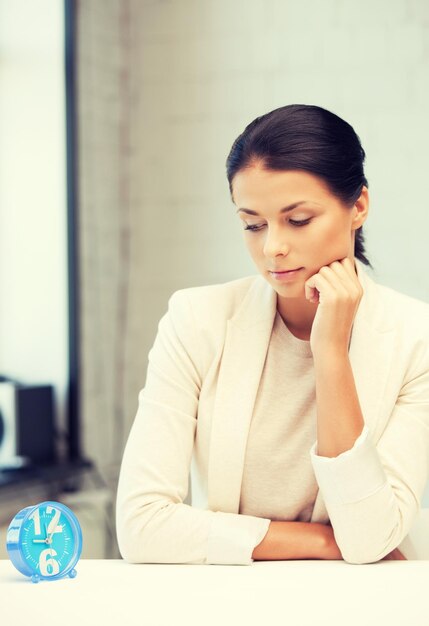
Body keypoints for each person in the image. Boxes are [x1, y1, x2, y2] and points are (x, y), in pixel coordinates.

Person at [116, 104, 429, 565]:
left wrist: (330, 353)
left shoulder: (414, 338)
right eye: (253, 224)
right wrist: (322, 543)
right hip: (234, 601)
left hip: (362, 604)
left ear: (358, 206)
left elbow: (367, 537)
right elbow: (141, 525)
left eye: (298, 220)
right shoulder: (196, 321)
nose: (272, 248)